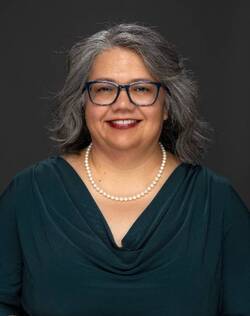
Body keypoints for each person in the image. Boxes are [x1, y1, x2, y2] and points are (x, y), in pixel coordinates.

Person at [0, 23, 249, 316]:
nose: (122, 104)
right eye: (104, 89)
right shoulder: (27, 195)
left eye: (141, 89)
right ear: (83, 103)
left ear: (167, 105)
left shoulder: (218, 204)